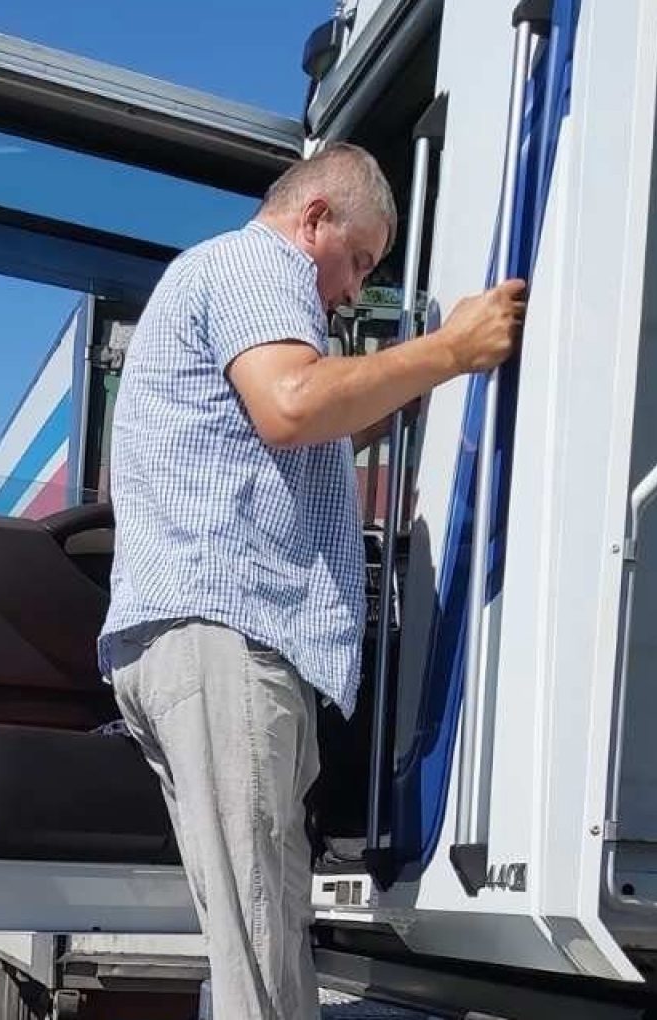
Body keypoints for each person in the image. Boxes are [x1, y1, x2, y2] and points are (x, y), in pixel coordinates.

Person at [98, 142, 525, 1018]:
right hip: (223, 634)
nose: (352, 288)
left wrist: (392, 395)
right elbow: (294, 404)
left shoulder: (215, 280)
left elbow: (294, 424)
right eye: (358, 259)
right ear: (315, 218)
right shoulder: (261, 264)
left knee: (264, 921)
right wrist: (449, 350)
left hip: (196, 638)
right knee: (257, 937)